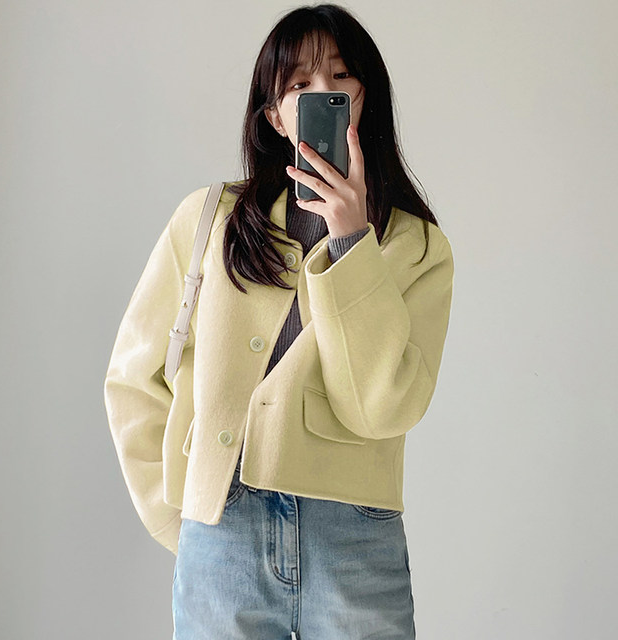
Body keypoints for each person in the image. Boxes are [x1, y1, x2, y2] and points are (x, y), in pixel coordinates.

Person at [103, 3, 454, 639]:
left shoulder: (415, 246)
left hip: (354, 539)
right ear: (274, 114)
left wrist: (351, 242)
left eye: (340, 78)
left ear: (366, 98)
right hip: (222, 530)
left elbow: (381, 409)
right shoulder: (209, 220)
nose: (322, 93)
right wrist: (180, 515)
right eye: (299, 84)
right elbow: (133, 378)